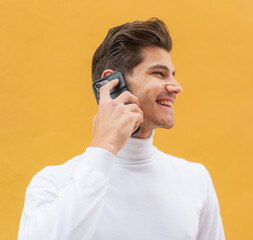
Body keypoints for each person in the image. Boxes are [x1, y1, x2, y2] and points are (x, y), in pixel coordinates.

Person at [18, 18, 225, 240]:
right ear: (113, 83)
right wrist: (104, 146)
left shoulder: (196, 180)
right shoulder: (54, 183)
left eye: (173, 74)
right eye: (159, 73)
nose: (176, 87)